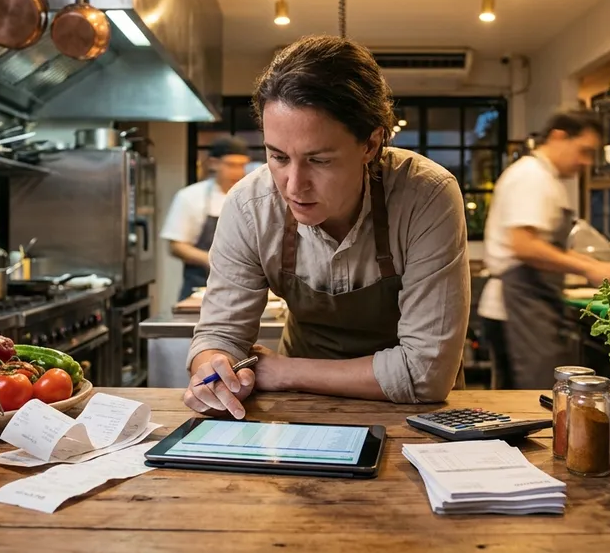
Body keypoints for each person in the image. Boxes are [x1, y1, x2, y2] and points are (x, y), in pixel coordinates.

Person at [182, 35, 471, 419]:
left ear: (371, 144)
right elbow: (221, 335)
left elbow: (426, 374)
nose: (293, 185)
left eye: (318, 160)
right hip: (299, 410)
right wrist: (214, 369)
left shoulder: (426, 195)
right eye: (278, 157)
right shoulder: (249, 206)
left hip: (418, 416)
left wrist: (283, 372)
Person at [477, 110, 610, 390]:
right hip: (516, 306)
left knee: (542, 393)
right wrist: (588, 267)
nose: (586, 162)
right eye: (584, 151)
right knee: (531, 396)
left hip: (530, 304)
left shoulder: (545, 178)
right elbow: (524, 246)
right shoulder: (531, 176)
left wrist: (600, 267)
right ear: (558, 137)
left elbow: (543, 246)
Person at [161, 137, 251, 300]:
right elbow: (176, 245)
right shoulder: (190, 197)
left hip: (246, 290)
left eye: (242, 165)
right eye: (231, 165)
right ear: (213, 163)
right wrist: (213, 260)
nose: (237, 172)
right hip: (201, 289)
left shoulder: (251, 197)